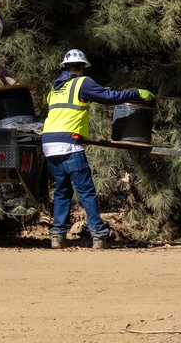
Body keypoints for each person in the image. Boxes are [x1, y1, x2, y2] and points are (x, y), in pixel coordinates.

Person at [42, 48, 154, 249]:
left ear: (64, 68)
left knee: (62, 191)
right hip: (69, 142)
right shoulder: (83, 82)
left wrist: (98, 91)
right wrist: (136, 93)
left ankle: (57, 236)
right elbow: (110, 97)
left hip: (49, 144)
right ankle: (98, 236)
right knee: (85, 191)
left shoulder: (55, 88)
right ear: (82, 68)